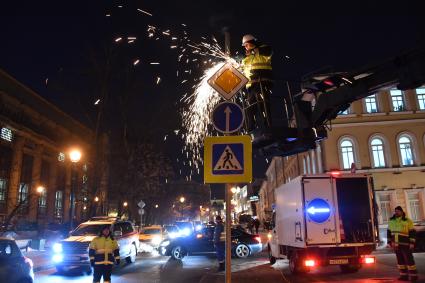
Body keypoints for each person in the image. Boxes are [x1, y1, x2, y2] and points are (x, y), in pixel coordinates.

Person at [240, 34, 273, 133]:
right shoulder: (247, 58)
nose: (245, 47)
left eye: (246, 45)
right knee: (250, 107)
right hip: (251, 86)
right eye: (244, 46)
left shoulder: (264, 49)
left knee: (263, 104)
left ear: (252, 42)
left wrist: (253, 51)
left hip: (263, 82)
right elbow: (242, 69)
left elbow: (267, 52)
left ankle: (268, 126)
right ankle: (251, 128)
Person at [387, 206, 418, 281]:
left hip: (406, 244)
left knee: (409, 260)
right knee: (400, 261)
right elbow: (389, 232)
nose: (396, 212)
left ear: (402, 212)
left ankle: (413, 276)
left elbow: (412, 232)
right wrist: (389, 242)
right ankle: (403, 276)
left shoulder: (408, 221)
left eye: (398, 211)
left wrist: (412, 243)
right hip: (396, 245)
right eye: (395, 211)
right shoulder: (391, 221)